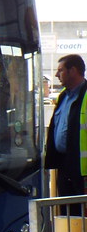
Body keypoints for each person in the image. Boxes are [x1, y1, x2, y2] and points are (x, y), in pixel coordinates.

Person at [46, 54, 87, 196]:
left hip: (82, 170)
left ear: (73, 71)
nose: (57, 74)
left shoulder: (85, 95)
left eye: (60, 70)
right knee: (67, 214)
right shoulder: (63, 96)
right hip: (64, 166)